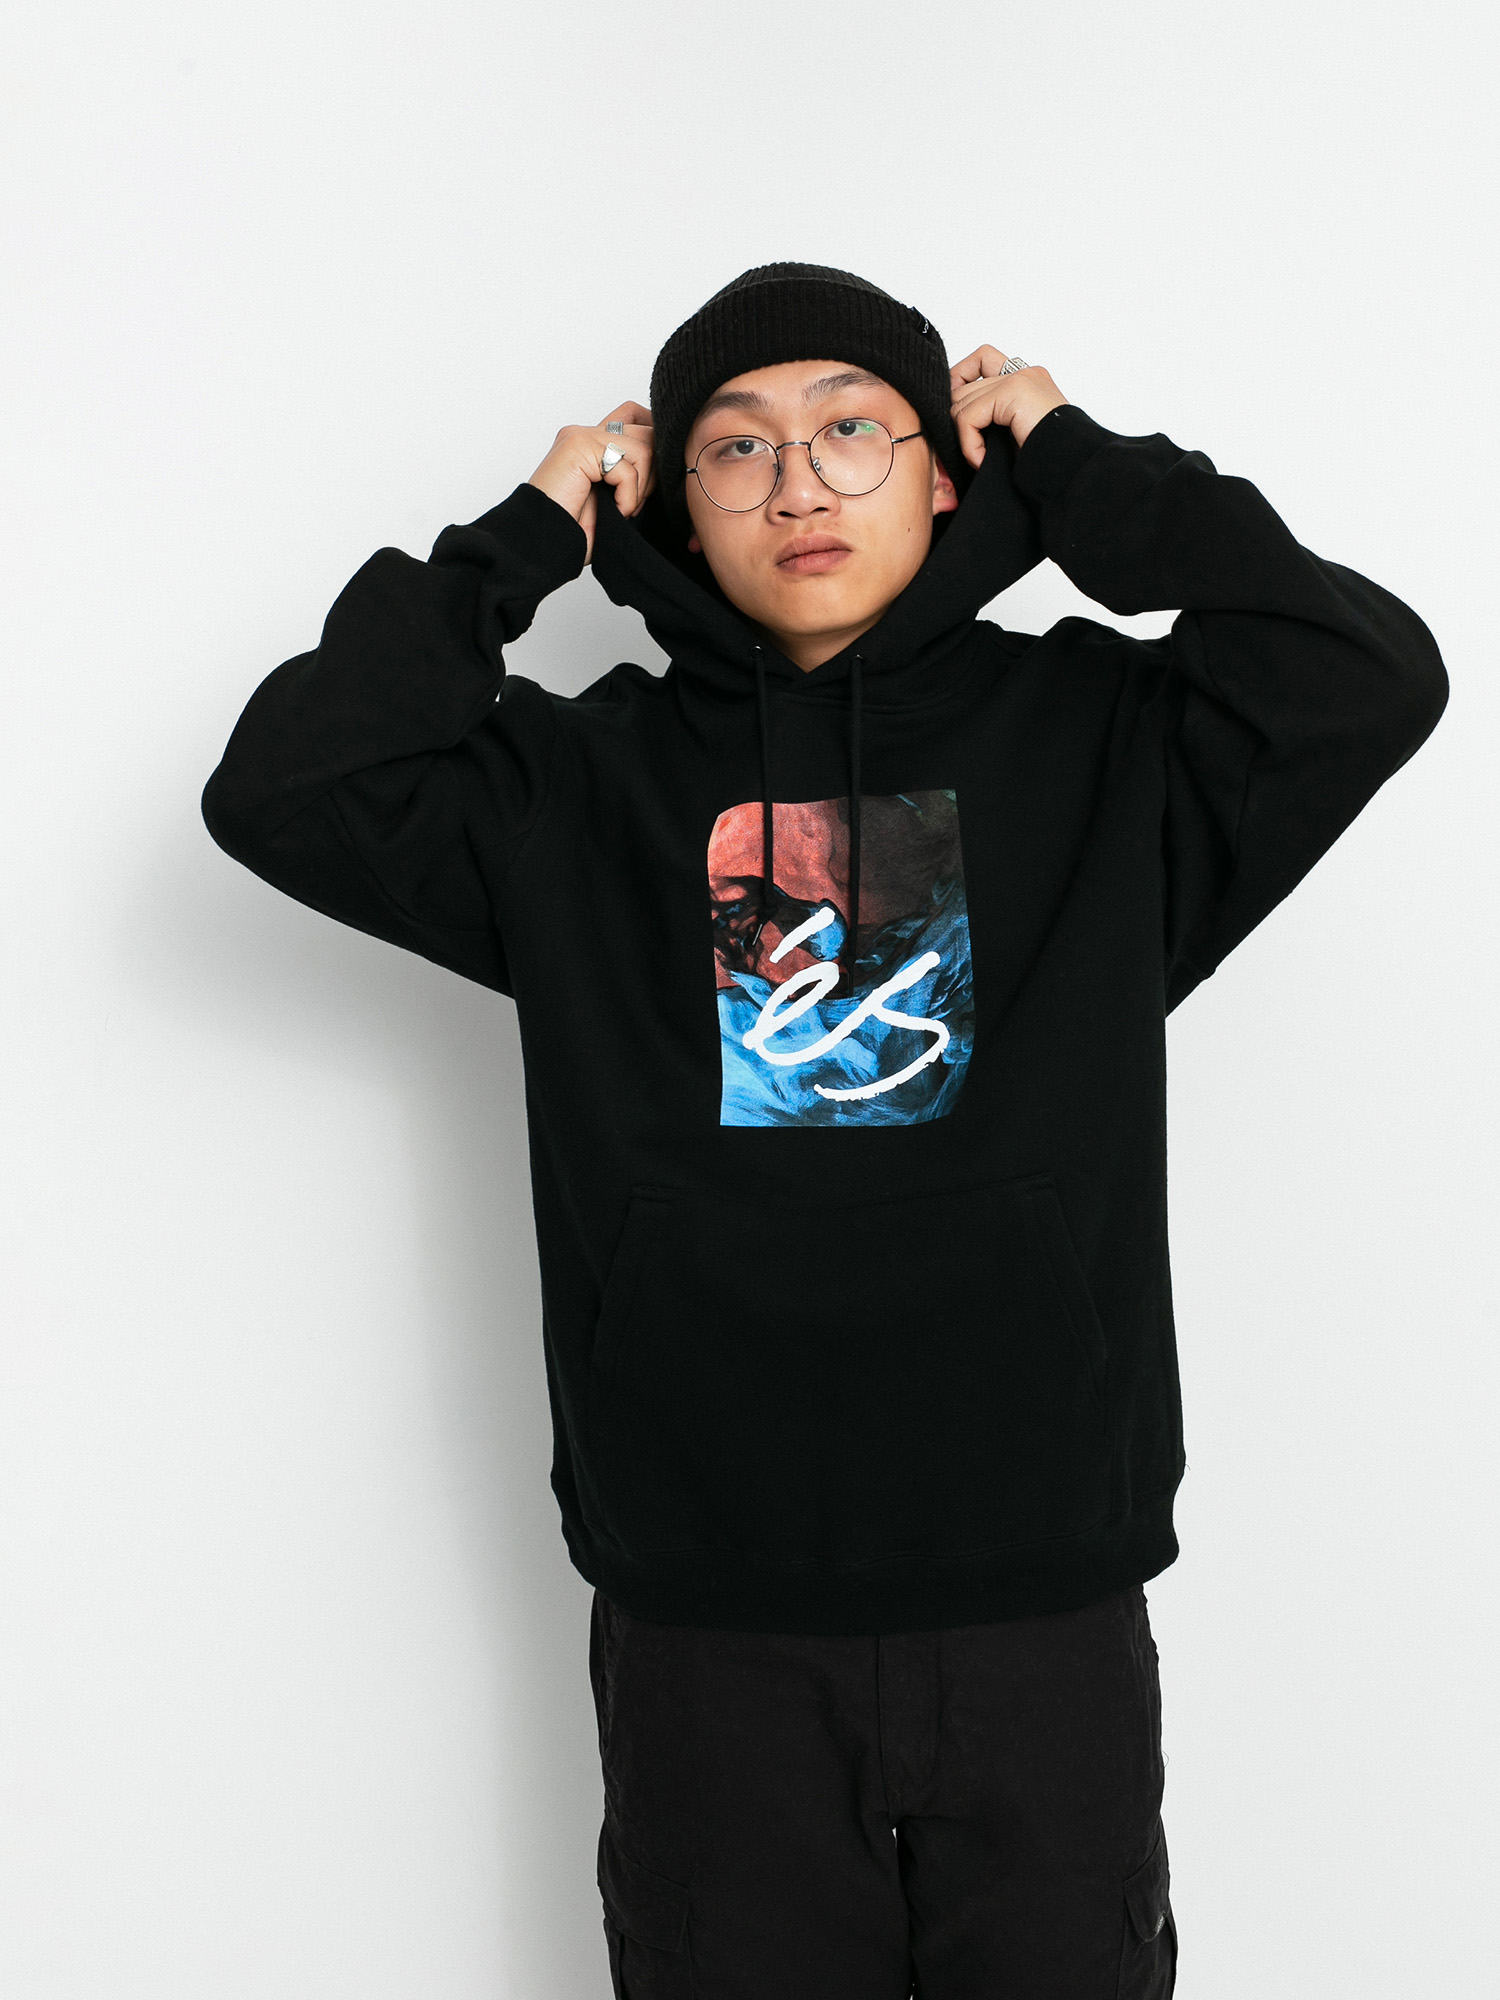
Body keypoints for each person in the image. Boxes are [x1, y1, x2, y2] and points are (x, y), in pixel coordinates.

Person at [202, 262, 1447, 1997]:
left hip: (1041, 1596)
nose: (798, 485)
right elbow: (281, 785)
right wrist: (520, 539)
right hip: (708, 1613)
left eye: (855, 432)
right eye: (736, 448)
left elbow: (1368, 673)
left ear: (946, 475)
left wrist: (1085, 467)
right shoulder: (572, 789)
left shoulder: (1108, 744)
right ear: (669, 505)